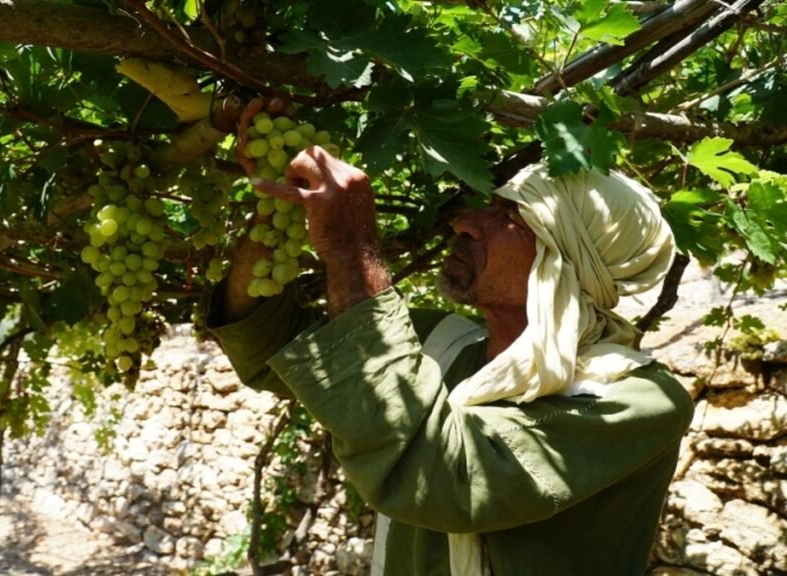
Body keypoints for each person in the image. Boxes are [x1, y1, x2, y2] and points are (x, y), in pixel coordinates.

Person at [206, 137, 694, 575]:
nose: (464, 223)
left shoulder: (637, 400)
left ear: (563, 259)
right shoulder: (442, 343)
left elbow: (444, 478)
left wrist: (352, 247)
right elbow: (269, 341)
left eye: (511, 217)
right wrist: (280, 209)